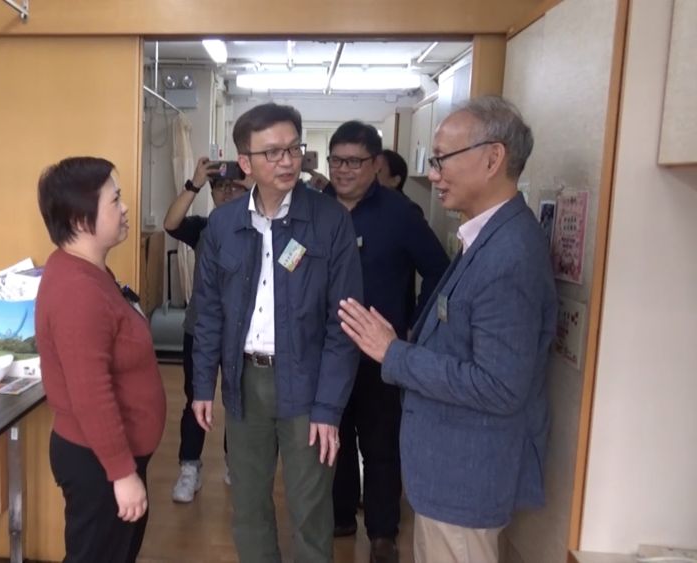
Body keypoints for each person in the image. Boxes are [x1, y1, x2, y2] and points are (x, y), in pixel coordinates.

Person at [338, 96, 558, 563]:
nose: (433, 174)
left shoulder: (510, 254)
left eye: (442, 160)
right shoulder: (484, 235)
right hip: (449, 473)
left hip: (466, 477)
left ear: (492, 158)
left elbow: (500, 386)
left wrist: (393, 351)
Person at [190, 103, 363, 562]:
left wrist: (329, 407)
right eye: (272, 153)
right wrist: (203, 383)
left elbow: (343, 323)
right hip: (245, 380)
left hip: (308, 383)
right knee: (248, 502)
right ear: (245, 162)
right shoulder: (223, 225)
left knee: (309, 507)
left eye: (293, 149)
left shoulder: (329, 221)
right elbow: (208, 312)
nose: (287, 161)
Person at [322, 121, 449, 562]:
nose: (342, 170)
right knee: (330, 438)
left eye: (353, 162)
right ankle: (338, 516)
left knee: (380, 444)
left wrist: (416, 325)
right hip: (327, 352)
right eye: (335, 160)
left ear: (375, 165)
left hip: (382, 356)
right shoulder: (316, 210)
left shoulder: (400, 214)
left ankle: (381, 532)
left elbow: (440, 270)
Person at [35, 156, 167, 563]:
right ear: (80, 219)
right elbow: (90, 395)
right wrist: (122, 474)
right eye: (116, 200)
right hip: (98, 462)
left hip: (109, 456)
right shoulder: (78, 290)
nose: (125, 208)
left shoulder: (90, 273)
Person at [163, 156, 251, 503]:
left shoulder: (258, 226)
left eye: (235, 185)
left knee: (238, 400)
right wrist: (194, 183)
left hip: (241, 333)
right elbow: (171, 224)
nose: (227, 192)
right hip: (200, 331)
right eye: (220, 187)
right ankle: (190, 467)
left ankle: (234, 461)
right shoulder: (203, 227)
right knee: (194, 399)